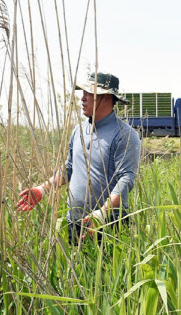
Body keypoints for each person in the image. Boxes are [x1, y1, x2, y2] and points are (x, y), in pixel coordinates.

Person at [17, 71, 141, 246]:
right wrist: (42, 189)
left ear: (107, 98)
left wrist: (101, 214)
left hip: (108, 223)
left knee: (107, 272)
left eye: (89, 93)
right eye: (83, 93)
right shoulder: (79, 131)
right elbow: (69, 168)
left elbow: (126, 179)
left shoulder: (124, 134)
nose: (82, 98)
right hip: (75, 221)